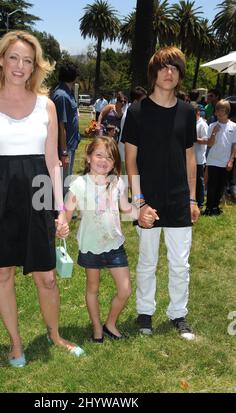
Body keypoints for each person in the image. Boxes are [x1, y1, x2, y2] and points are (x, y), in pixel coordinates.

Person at [0, 30, 85, 368]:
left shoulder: (46, 105)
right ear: (1, 60)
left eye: (28, 61)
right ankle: (16, 344)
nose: (20, 66)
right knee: (2, 272)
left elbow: (52, 162)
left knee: (46, 275)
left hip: (37, 194)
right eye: (14, 58)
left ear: (36, 67)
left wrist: (60, 209)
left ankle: (55, 335)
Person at [124, 46, 200, 341]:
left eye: (175, 68)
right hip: (148, 200)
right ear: (154, 72)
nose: (169, 72)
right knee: (147, 260)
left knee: (180, 262)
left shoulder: (187, 111)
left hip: (180, 197)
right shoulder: (137, 111)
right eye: (164, 67)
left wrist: (193, 198)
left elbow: (190, 156)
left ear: (180, 75)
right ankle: (145, 312)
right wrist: (139, 202)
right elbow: (130, 160)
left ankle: (178, 314)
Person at [64, 136, 158, 342]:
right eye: (99, 155)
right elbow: (66, 210)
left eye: (109, 157)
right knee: (92, 289)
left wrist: (142, 214)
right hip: (90, 246)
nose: (103, 160)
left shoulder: (117, 184)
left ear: (115, 163)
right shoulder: (79, 184)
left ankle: (110, 323)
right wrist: (62, 223)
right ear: (88, 157)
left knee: (125, 290)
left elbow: (126, 208)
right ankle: (97, 329)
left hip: (114, 244)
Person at [204, 100, 236, 216]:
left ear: (227, 111)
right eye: (217, 109)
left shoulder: (233, 126)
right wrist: (214, 133)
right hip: (213, 160)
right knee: (212, 185)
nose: (218, 112)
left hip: (226, 161)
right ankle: (209, 208)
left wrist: (231, 160)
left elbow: (234, 145)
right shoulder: (212, 125)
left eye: (221, 109)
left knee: (221, 185)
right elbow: (209, 144)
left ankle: (216, 206)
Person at [52, 61, 80, 194]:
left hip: (70, 144)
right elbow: (60, 125)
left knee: (66, 182)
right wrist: (64, 153)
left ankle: (63, 210)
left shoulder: (67, 93)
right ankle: (60, 212)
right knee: (63, 183)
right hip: (65, 147)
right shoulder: (62, 96)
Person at [191, 102, 208, 208]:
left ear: (198, 112)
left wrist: (195, 139)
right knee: (191, 179)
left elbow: (206, 140)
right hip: (190, 158)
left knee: (199, 180)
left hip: (199, 158)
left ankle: (200, 202)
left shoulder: (202, 124)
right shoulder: (191, 123)